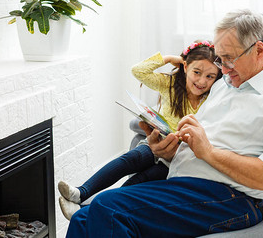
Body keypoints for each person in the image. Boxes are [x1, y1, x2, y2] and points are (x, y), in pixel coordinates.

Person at [65, 9, 263, 237]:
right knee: (82, 218)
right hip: (184, 186)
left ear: (259, 50)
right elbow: (198, 143)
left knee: (108, 206)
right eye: (220, 60)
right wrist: (172, 149)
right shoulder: (225, 87)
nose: (223, 69)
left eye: (228, 59)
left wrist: (208, 153)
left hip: (233, 198)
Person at [58, 40, 222, 220]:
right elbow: (138, 71)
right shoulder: (170, 84)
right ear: (185, 67)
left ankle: (85, 211)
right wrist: (168, 59)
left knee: (137, 182)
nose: (201, 81)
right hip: (157, 142)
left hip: (179, 159)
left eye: (210, 76)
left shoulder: (214, 97)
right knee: (131, 158)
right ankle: (80, 193)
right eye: (196, 72)